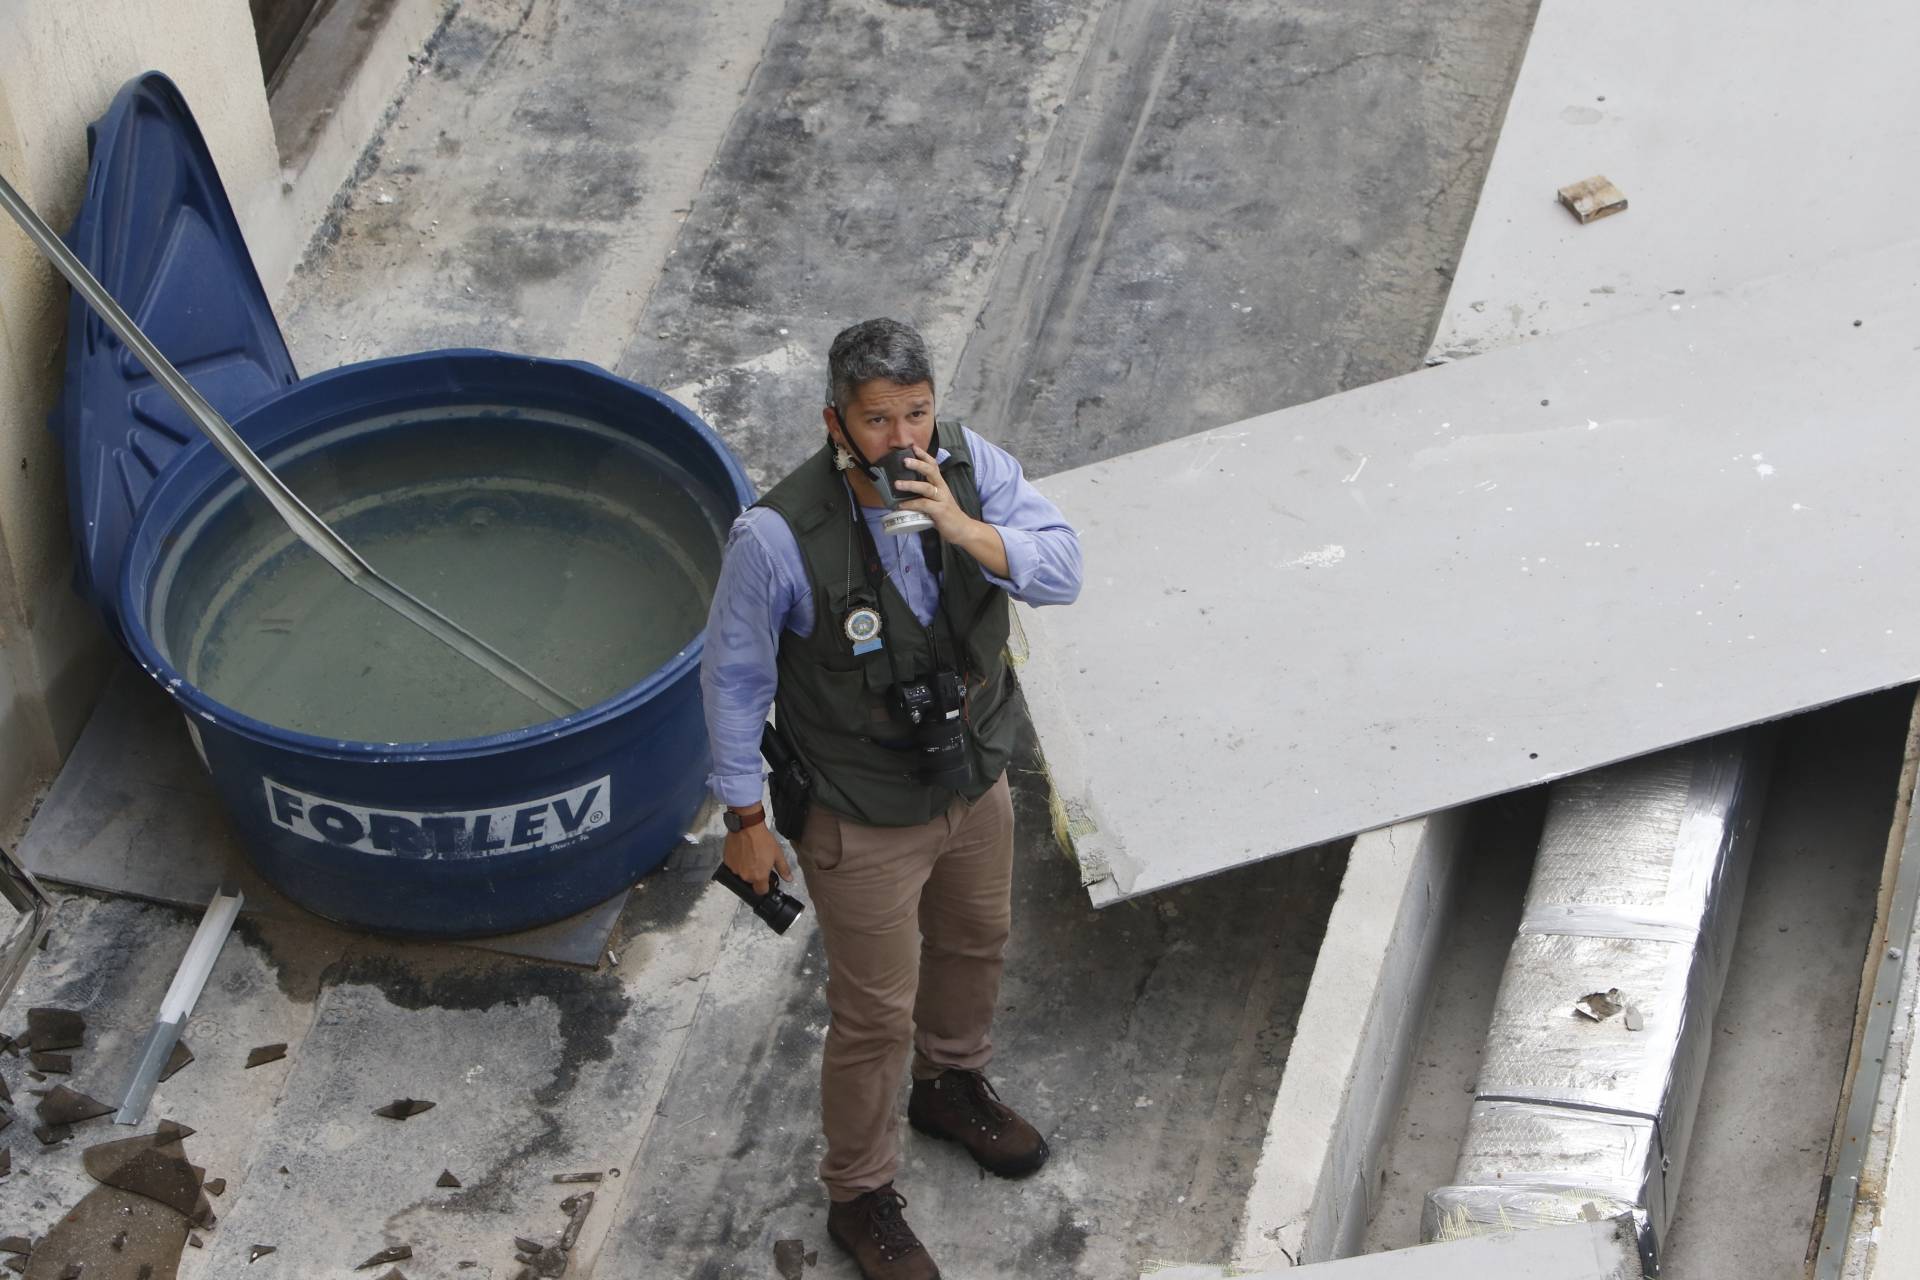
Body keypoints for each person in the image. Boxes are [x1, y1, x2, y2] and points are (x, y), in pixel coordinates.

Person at [700, 317, 1083, 1279]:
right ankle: (860, 1193)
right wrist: (746, 822)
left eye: (918, 413)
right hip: (860, 808)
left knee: (977, 941)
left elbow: (1064, 571)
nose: (904, 439)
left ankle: (950, 1084)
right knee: (873, 1013)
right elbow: (733, 684)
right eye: (878, 420)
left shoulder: (972, 468)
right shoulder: (777, 536)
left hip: (972, 775)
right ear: (836, 422)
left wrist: (963, 528)